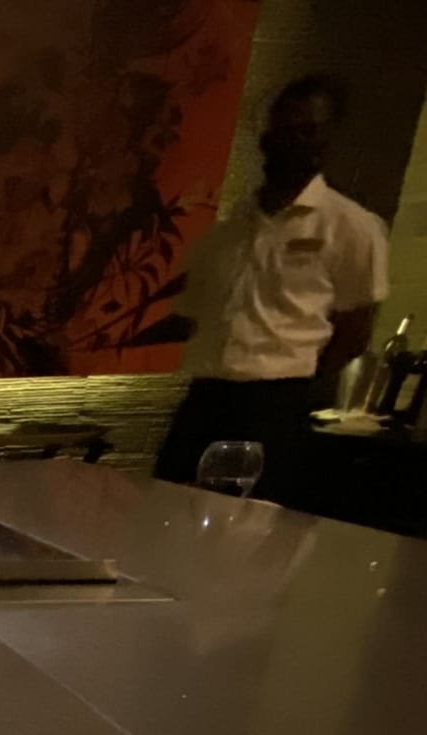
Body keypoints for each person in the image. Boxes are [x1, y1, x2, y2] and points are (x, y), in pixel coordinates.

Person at [152, 77, 388, 505]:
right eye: (286, 129)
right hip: (206, 395)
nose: (296, 142)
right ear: (265, 137)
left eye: (309, 130)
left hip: (276, 402)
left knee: (252, 525)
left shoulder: (350, 226)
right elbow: (193, 317)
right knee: (166, 509)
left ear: (328, 137)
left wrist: (297, 386)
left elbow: (355, 329)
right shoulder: (227, 231)